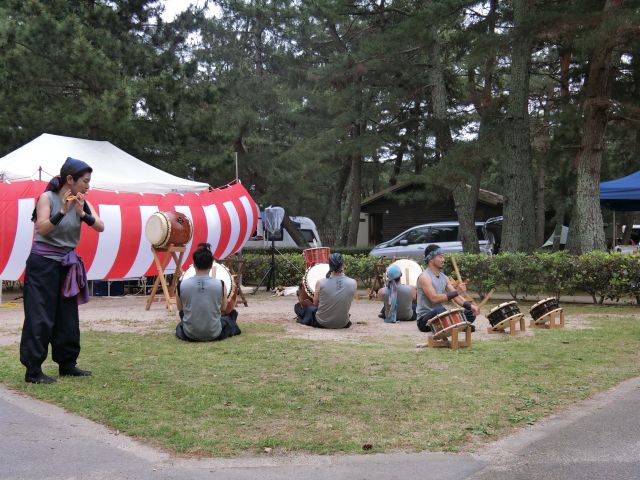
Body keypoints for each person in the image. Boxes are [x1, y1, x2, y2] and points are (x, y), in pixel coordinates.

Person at [20, 157, 105, 384]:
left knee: (67, 316)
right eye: (85, 181)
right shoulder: (47, 198)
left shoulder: (83, 202)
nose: (88, 186)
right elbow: (43, 229)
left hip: (67, 264)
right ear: (70, 179)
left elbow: (100, 226)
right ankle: (33, 370)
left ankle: (67, 364)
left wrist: (82, 213)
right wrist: (63, 211)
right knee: (40, 316)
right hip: (42, 264)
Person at [175, 243, 241, 342]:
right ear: (211, 265)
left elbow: (180, 309)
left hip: (189, 334)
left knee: (182, 322)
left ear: (194, 264)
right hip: (214, 333)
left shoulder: (181, 285)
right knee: (230, 316)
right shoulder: (221, 284)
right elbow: (223, 309)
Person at [416, 244, 480, 333]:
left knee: (469, 312)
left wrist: (471, 306)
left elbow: (456, 296)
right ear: (431, 259)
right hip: (425, 320)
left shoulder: (444, 277)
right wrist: (457, 291)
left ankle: (454, 325)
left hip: (441, 315)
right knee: (440, 310)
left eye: (443, 257)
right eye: (440, 257)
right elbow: (434, 299)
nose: (443, 260)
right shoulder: (424, 277)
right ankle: (458, 325)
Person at [294, 253, 357, 329]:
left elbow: (315, 304)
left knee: (301, 308)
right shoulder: (353, 282)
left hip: (322, 323)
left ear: (329, 265)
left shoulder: (320, 282)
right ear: (343, 265)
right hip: (343, 323)